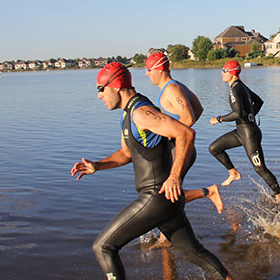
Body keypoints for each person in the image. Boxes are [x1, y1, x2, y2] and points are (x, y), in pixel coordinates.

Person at [70, 62, 232, 280]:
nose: (99, 95)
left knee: (104, 247)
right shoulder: (128, 115)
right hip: (164, 200)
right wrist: (97, 165)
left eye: (100, 89)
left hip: (155, 197)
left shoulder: (141, 112)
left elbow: (185, 133)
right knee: (193, 253)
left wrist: (175, 176)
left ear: (116, 85)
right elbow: (126, 153)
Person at [145, 51, 223, 214]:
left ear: (159, 70)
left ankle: (208, 192)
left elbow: (188, 118)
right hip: (181, 147)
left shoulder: (172, 89)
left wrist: (168, 133)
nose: (147, 74)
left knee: (165, 195)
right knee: (169, 191)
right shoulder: (177, 86)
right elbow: (199, 109)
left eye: (149, 70)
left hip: (180, 148)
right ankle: (165, 236)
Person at [209, 60, 280, 202]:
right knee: (214, 148)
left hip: (249, 135)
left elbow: (237, 113)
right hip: (241, 132)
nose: (221, 73)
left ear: (231, 73)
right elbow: (259, 101)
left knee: (260, 169)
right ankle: (233, 173)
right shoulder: (241, 86)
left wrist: (219, 119)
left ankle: (279, 195)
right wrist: (250, 117)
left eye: (224, 71)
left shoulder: (235, 89)